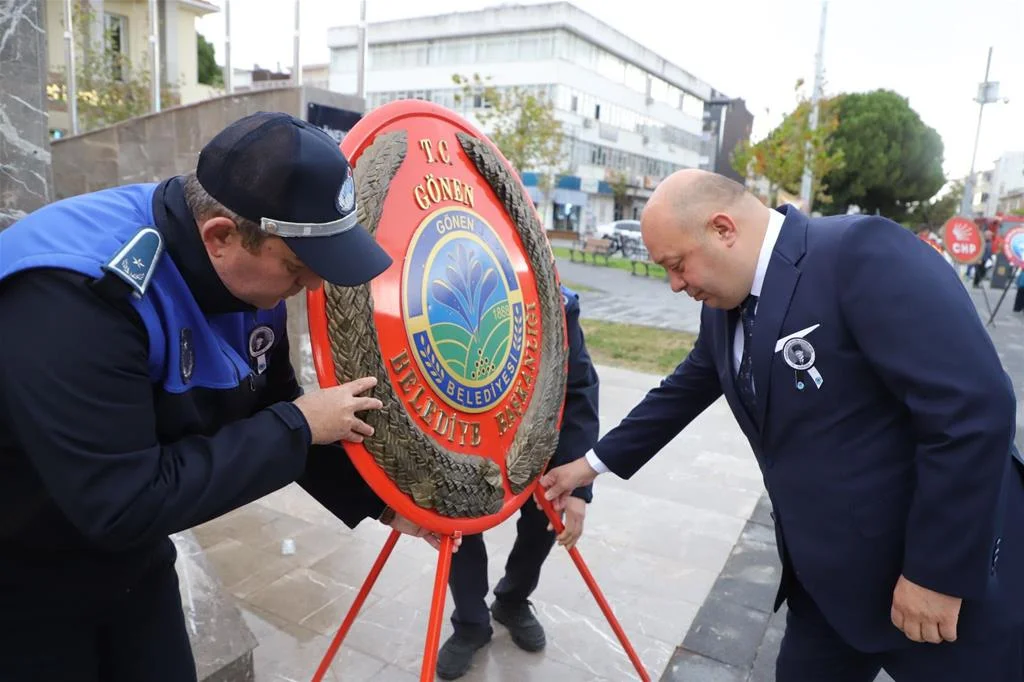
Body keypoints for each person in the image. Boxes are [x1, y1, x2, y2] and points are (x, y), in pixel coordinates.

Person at [0, 111, 455, 682]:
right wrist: (297, 426)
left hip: (128, 563)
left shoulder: (242, 265)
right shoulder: (77, 298)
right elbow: (122, 502)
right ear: (221, 236)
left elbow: (270, 398)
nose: (310, 287)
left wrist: (389, 503)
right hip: (23, 572)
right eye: (298, 269)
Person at [541, 169, 1024, 682]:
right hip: (827, 587)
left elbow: (972, 411)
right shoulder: (725, 306)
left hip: (932, 586)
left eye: (678, 265)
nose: (675, 284)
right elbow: (681, 392)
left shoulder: (860, 255)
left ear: (723, 228)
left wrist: (936, 573)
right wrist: (589, 467)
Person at [436, 284, 600, 680]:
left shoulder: (554, 303)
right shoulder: (439, 296)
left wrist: (578, 489)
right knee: (459, 528)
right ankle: (472, 623)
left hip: (532, 438)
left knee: (545, 519)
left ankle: (511, 600)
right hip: (463, 436)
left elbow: (578, 389)